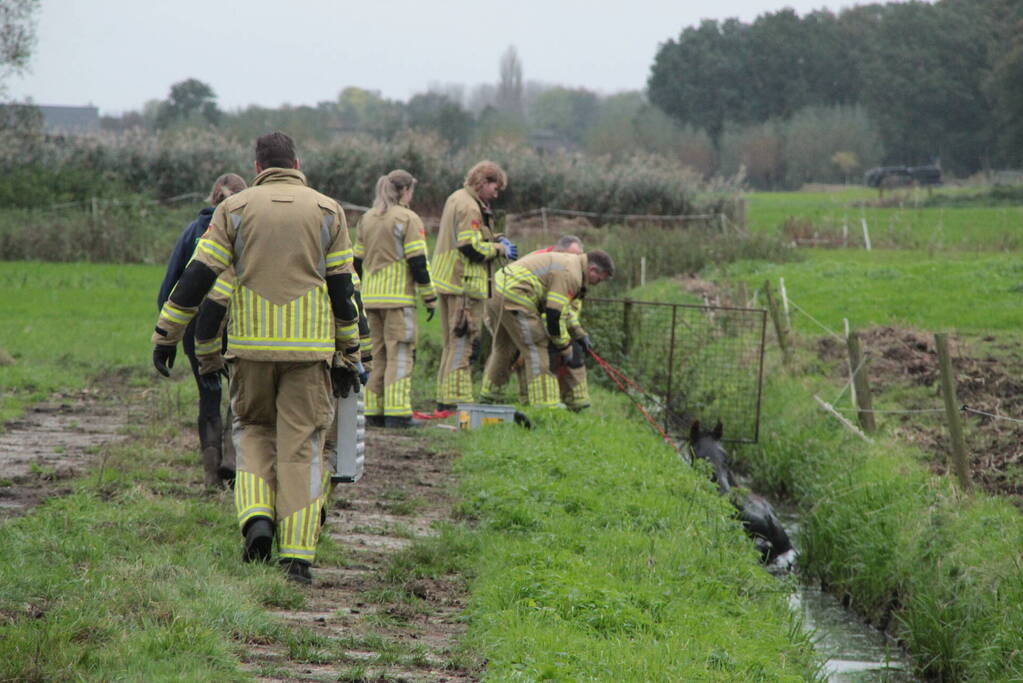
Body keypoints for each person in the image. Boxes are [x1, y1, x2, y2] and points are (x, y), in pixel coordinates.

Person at [150, 131, 362, 584]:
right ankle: (298, 559)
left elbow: (198, 278)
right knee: (303, 448)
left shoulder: (234, 209)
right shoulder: (328, 211)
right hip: (309, 353)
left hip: (249, 350)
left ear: (257, 165)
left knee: (252, 436)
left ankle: (257, 522)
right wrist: (350, 352)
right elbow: (344, 290)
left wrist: (166, 334)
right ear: (297, 161)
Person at [156, 173, 246, 488]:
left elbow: (170, 287)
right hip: (240, 325)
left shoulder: (193, 232)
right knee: (241, 395)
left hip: (195, 327)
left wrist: (167, 336)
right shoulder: (250, 232)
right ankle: (233, 461)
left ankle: (210, 478)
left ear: (212, 199)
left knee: (208, 396)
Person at [354, 169, 437, 428]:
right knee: (400, 354)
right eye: (411, 190)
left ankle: (373, 411)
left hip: (370, 299)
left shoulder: (366, 219)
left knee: (376, 355)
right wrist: (430, 297)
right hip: (399, 300)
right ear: (404, 191)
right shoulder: (408, 218)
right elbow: (418, 262)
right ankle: (398, 413)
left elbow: (355, 263)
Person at [431, 161, 516, 412]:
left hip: (448, 280)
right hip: (464, 285)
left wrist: (494, 238)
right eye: (495, 187)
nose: (496, 194)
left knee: (450, 344)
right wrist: (500, 249)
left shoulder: (456, 198)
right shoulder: (470, 207)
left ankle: (445, 399)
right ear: (483, 182)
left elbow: (468, 238)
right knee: (463, 344)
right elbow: (470, 247)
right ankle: (457, 401)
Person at [481, 249, 614, 408]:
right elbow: (554, 315)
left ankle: (490, 396)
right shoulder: (572, 274)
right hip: (516, 295)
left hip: (495, 289)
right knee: (536, 345)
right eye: (599, 279)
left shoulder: (570, 264)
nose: (598, 283)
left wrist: (579, 334)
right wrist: (565, 347)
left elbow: (563, 311)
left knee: (504, 347)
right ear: (592, 270)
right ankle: (544, 405)